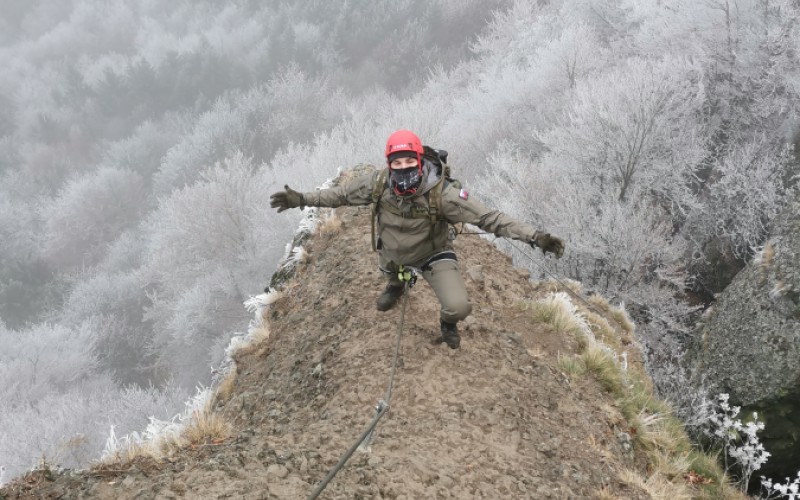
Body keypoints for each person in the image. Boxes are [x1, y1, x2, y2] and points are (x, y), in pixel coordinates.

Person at [269, 130, 564, 349]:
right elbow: (341, 195)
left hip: (432, 253)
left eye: (410, 161)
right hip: (393, 253)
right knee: (391, 269)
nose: (403, 168)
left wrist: (535, 237)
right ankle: (396, 285)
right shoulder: (378, 184)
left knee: (459, 306)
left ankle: (447, 322)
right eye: (397, 163)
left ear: (420, 161)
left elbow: (490, 218)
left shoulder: (443, 195)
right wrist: (302, 199)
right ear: (389, 164)